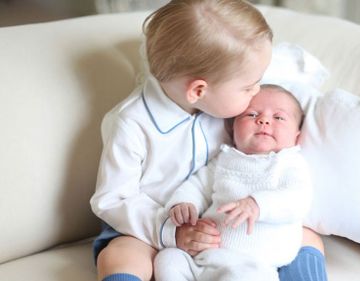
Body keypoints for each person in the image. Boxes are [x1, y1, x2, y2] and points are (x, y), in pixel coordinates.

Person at [90, 1, 326, 281]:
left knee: (308, 237)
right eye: (249, 87)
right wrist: (171, 231)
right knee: (122, 255)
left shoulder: (225, 99)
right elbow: (112, 199)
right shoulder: (131, 123)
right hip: (150, 227)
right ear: (198, 90)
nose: (256, 92)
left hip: (226, 228)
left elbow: (282, 84)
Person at [154, 84, 311, 281]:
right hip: (203, 259)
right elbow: (198, 185)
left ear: (297, 137)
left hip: (252, 266)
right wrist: (184, 204)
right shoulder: (225, 158)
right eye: (252, 115)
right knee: (168, 259)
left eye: (278, 117)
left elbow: (298, 199)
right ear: (233, 127)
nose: (263, 120)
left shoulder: (289, 163)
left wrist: (258, 204)